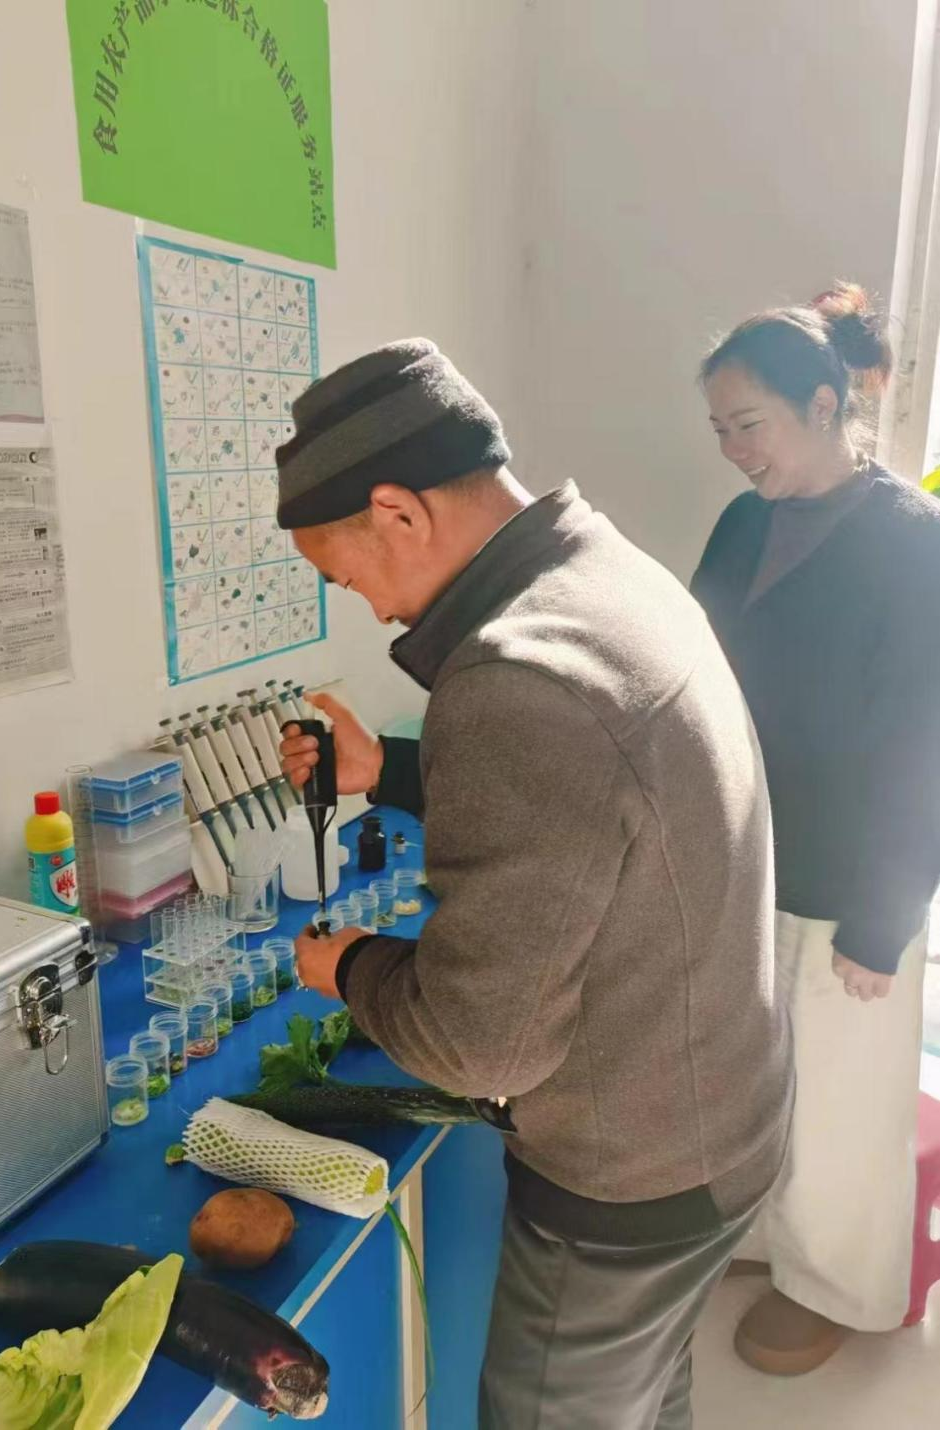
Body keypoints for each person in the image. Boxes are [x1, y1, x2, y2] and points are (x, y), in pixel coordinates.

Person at [275, 337, 793, 1429]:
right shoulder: (603, 573)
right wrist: (388, 770)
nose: (370, 608)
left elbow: (482, 1047)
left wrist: (350, 966)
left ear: (397, 511)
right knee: (644, 1395)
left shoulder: (512, 674)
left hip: (632, 1166)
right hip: (722, 1104)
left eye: (347, 575)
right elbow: (599, 782)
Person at [691, 283, 940, 1376]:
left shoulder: (910, 541)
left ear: (824, 404)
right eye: (718, 430)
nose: (733, 451)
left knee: (840, 1103)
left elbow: (925, 740)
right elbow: (696, 661)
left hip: (851, 879)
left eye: (748, 423)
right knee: (756, 1080)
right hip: (747, 856)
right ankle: (763, 1243)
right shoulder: (743, 523)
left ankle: (834, 1284)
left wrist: (883, 920)